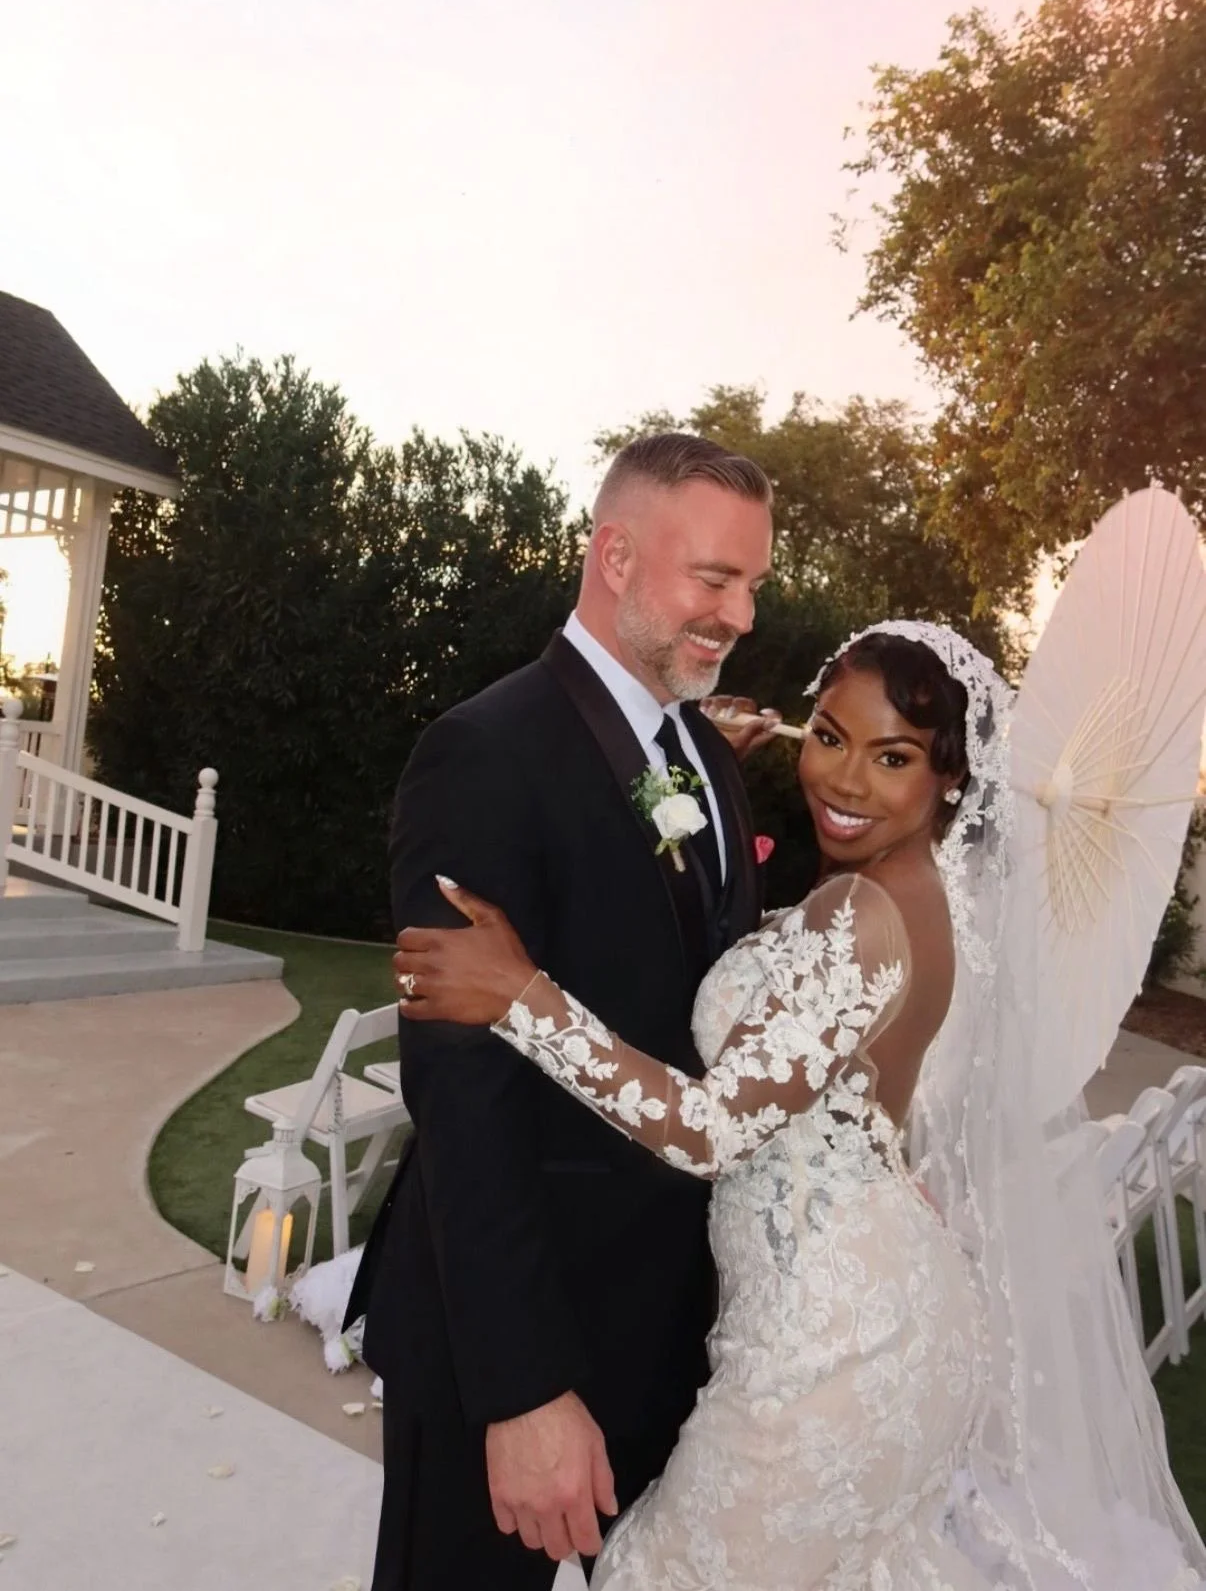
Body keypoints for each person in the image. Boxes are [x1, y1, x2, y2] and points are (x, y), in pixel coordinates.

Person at [394, 623, 1206, 1590]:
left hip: (833, 1343)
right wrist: (701, 782)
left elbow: (710, 1130)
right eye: (829, 736)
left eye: (893, 757)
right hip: (881, 1302)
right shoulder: (916, 894)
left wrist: (522, 995)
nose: (846, 780)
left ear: (951, 778)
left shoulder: (860, 916)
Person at [344, 432, 781, 1590]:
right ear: (618, 555)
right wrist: (526, 1389)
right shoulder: (481, 755)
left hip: (667, 1336)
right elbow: (463, 1099)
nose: (739, 615)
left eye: (752, 585)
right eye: (714, 579)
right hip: (515, 1348)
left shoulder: (711, 762)